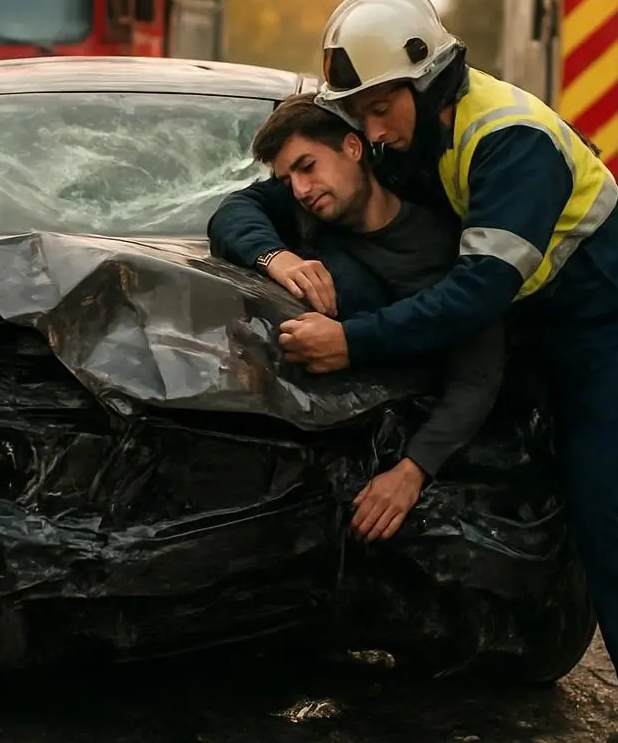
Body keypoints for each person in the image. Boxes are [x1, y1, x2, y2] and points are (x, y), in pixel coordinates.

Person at [268, 0, 618, 743]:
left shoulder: (510, 140)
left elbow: (476, 293)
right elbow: (252, 203)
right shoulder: (401, 136)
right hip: (521, 312)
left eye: (379, 109)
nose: (370, 132)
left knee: (604, 494)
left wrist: (354, 341)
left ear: (426, 79)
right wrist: (270, 251)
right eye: (359, 115)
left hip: (601, 319)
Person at [208, 93, 507, 541]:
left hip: (394, 453)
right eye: (287, 179)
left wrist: (412, 471)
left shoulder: (439, 247)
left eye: (307, 167)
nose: (301, 190)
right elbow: (232, 212)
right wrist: (276, 258)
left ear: (353, 147)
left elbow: (476, 376)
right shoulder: (302, 213)